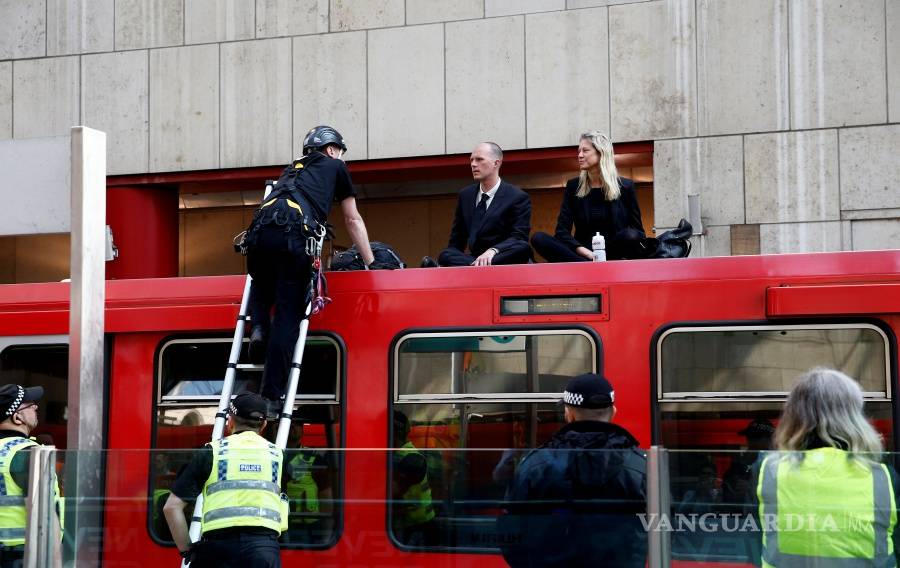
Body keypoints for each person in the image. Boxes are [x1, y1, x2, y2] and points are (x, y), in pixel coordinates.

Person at [243, 125, 375, 416]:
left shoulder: (291, 170)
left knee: (263, 284)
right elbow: (352, 220)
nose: (341, 158)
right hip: (292, 240)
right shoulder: (335, 167)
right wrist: (370, 263)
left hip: (258, 238)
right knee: (288, 316)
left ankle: (259, 327)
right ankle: (272, 397)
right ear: (331, 150)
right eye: (340, 152)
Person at [498, 373, 646, 567]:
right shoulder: (641, 466)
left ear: (569, 414)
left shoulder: (536, 465)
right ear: (614, 411)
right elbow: (659, 529)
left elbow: (511, 532)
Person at [755, 368, 900, 566]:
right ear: (854, 416)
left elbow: (753, 535)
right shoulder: (883, 475)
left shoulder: (768, 471)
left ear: (794, 416)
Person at [163, 392, 288, 567]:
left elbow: (171, 507)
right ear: (264, 424)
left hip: (217, 550)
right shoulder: (278, 456)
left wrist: (187, 550)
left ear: (230, 421)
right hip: (264, 549)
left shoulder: (212, 452)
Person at [531, 131, 644, 262]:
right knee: (539, 238)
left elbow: (638, 232)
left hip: (614, 254)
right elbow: (562, 232)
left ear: (601, 153)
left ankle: (601, 263)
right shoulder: (574, 186)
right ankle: (585, 265)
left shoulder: (625, 186)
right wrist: (589, 255)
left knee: (630, 235)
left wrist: (605, 255)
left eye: (585, 151)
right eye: (579, 151)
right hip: (582, 255)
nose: (579, 155)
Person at [425, 142, 531, 267]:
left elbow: (518, 237)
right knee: (446, 254)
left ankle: (473, 266)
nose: (473, 164)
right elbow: (457, 240)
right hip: (474, 257)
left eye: (479, 159)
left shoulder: (517, 196)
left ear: (496, 163)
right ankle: (476, 265)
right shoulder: (466, 195)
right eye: (472, 160)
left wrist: (493, 251)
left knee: (523, 248)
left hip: (502, 256)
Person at [0, 385, 63, 568]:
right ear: (17, 417)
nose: (36, 407)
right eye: (29, 404)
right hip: (20, 558)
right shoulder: (26, 454)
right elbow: (45, 517)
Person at [390, 411, 437, 546]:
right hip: (418, 523)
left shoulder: (405, 458)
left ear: (394, 432)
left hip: (415, 528)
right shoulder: (405, 453)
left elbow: (392, 492)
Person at [283, 421, 333, 545]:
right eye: (290, 423)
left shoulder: (313, 458)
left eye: (297, 423)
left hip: (308, 527)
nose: (293, 426)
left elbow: (326, 496)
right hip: (277, 525)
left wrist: (326, 533)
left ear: (302, 429)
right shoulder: (270, 455)